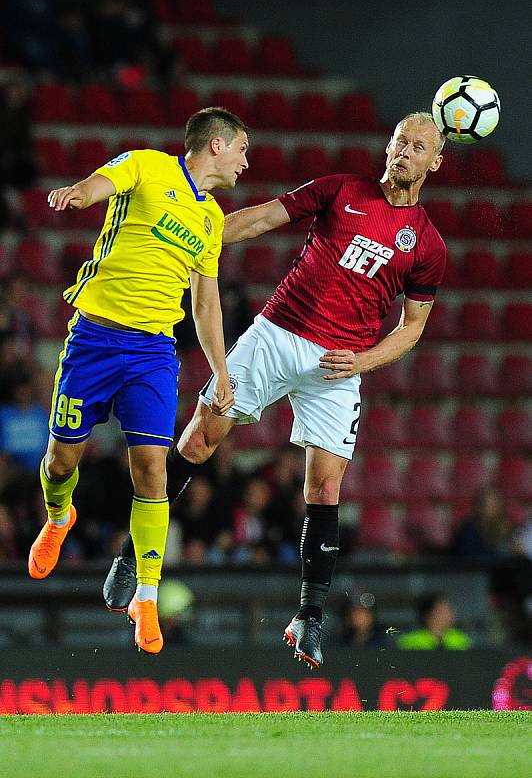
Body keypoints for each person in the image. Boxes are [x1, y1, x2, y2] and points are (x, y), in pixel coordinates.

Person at [104, 111, 447, 668]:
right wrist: (197, 236)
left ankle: (309, 616)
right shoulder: (341, 190)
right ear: (387, 147)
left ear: (435, 162)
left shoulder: (427, 245)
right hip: (277, 333)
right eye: (398, 142)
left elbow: (412, 327)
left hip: (337, 365)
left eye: (417, 147)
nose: (403, 152)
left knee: (326, 488)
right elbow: (264, 217)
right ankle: (131, 558)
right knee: (198, 440)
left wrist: (362, 359)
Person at [27, 107, 249, 655]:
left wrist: (221, 372)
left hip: (152, 351)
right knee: (62, 461)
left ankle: (145, 595)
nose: (247, 160)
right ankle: (60, 514)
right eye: (242, 148)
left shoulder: (213, 220)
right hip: (94, 339)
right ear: (216, 145)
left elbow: (205, 302)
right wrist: (78, 193)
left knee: (152, 468)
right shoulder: (148, 166)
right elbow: (102, 181)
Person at [396, 593, 472, 650]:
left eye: (449, 610)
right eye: (442, 611)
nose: (450, 614)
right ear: (428, 614)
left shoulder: (462, 640)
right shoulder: (409, 642)